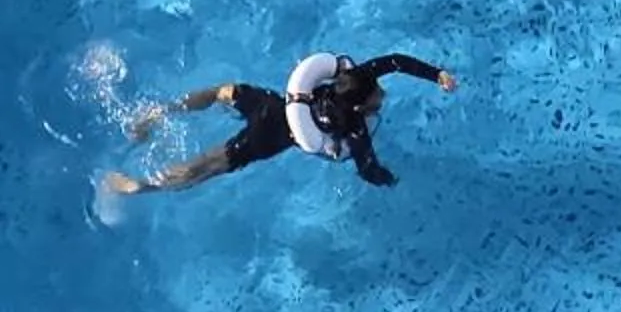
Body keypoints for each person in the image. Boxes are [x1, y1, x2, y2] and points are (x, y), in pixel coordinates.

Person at [99, 50, 458, 195]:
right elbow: (366, 167)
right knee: (209, 165)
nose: (380, 93)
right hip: (276, 136)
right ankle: (141, 187)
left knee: (223, 91)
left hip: (273, 104)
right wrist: (390, 180)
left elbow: (393, 61)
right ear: (363, 107)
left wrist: (435, 73)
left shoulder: (346, 80)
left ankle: (160, 112)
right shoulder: (354, 127)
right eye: (377, 95)